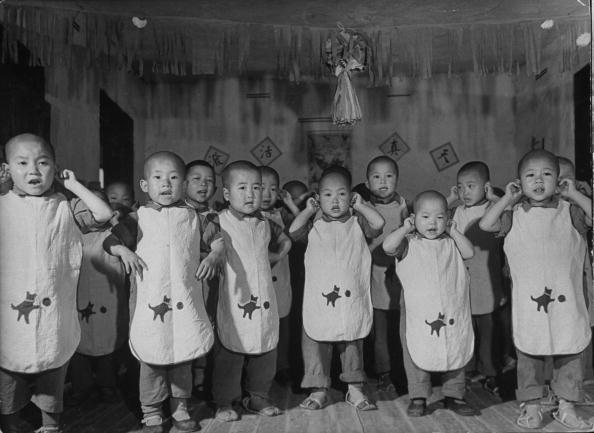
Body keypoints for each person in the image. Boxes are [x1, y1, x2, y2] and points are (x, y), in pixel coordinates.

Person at [0, 133, 113, 433]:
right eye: (22, 163)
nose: (33, 170)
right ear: (6, 169)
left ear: (55, 168)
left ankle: (51, 426)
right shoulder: (3, 204)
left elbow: (104, 213)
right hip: (10, 318)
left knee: (52, 374)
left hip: (53, 317)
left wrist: (73, 185)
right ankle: (9, 425)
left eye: (43, 162)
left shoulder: (66, 207)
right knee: (8, 381)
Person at [105, 151, 222, 433]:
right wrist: (123, 252)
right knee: (152, 356)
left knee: (182, 352)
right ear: (145, 185)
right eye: (158, 178)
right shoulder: (137, 218)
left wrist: (213, 256)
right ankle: (152, 412)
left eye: (173, 178)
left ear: (183, 184)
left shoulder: (195, 217)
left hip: (184, 299)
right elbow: (110, 241)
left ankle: (180, 408)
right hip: (151, 300)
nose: (166, 184)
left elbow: (218, 240)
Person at [480, 149, 593, 430]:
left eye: (547, 174)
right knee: (529, 354)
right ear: (519, 182)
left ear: (559, 181)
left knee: (570, 351)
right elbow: (485, 224)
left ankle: (566, 405)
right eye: (530, 175)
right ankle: (531, 406)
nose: (539, 180)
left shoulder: (571, 212)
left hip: (566, 302)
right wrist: (507, 197)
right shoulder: (513, 214)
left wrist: (574, 195)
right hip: (531, 305)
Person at [289, 165, 384, 411]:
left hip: (350, 298)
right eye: (328, 194)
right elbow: (293, 231)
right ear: (318, 198)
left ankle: (354, 388)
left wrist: (361, 205)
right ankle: (318, 389)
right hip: (321, 300)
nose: (335, 200)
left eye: (342, 194)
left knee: (352, 340)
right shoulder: (313, 225)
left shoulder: (358, 222)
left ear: (351, 196)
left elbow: (379, 223)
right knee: (315, 341)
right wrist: (308, 211)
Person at [383, 190, 478, 417]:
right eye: (425, 217)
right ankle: (418, 395)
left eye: (439, 217)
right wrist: (405, 229)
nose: (432, 223)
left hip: (452, 310)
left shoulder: (452, 242)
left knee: (455, 347)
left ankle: (454, 394)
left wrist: (454, 232)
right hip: (419, 313)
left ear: (447, 219)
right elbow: (387, 247)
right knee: (417, 351)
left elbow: (470, 252)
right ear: (413, 218)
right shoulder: (408, 242)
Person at [212, 161, 291, 422]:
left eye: (256, 187)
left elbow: (285, 240)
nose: (250, 194)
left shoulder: (265, 222)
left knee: (266, 346)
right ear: (226, 194)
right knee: (231, 351)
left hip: (264, 298)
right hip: (234, 298)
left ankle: (257, 396)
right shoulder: (218, 221)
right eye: (242, 187)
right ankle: (224, 401)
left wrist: (277, 255)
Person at [68, 189, 129, 406]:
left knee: (106, 344)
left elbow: (123, 241)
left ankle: (107, 385)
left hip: (106, 301)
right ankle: (81, 387)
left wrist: (116, 223)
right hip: (78, 301)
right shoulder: (71, 233)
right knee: (77, 346)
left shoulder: (110, 233)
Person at [450, 161, 503, 394]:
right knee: (466, 327)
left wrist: (494, 199)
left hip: (488, 277)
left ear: (486, 187)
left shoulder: (493, 209)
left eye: (471, 186)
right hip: (464, 278)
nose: (465, 192)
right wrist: (450, 199)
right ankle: (468, 369)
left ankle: (490, 372)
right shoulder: (458, 211)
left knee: (489, 328)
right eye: (460, 187)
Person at [364, 156, 408, 393]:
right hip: (376, 278)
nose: (383, 181)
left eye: (389, 176)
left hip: (402, 279)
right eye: (376, 177)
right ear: (367, 182)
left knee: (403, 331)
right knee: (379, 333)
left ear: (397, 180)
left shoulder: (406, 208)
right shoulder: (363, 210)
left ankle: (405, 372)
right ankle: (384, 374)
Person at [184, 160, 219, 398]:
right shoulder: (173, 213)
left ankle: (200, 379)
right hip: (181, 281)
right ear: (184, 183)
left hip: (206, 282)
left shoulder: (214, 216)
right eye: (196, 179)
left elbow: (219, 244)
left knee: (205, 324)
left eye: (209, 181)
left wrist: (214, 254)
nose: (203, 184)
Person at [259, 166, 294, 384]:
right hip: (259, 283)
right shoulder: (245, 216)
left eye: (273, 189)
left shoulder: (281, 215)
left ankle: (282, 368)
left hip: (280, 280)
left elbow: (305, 227)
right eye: (260, 187)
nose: (266, 194)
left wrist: (289, 202)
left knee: (282, 324)